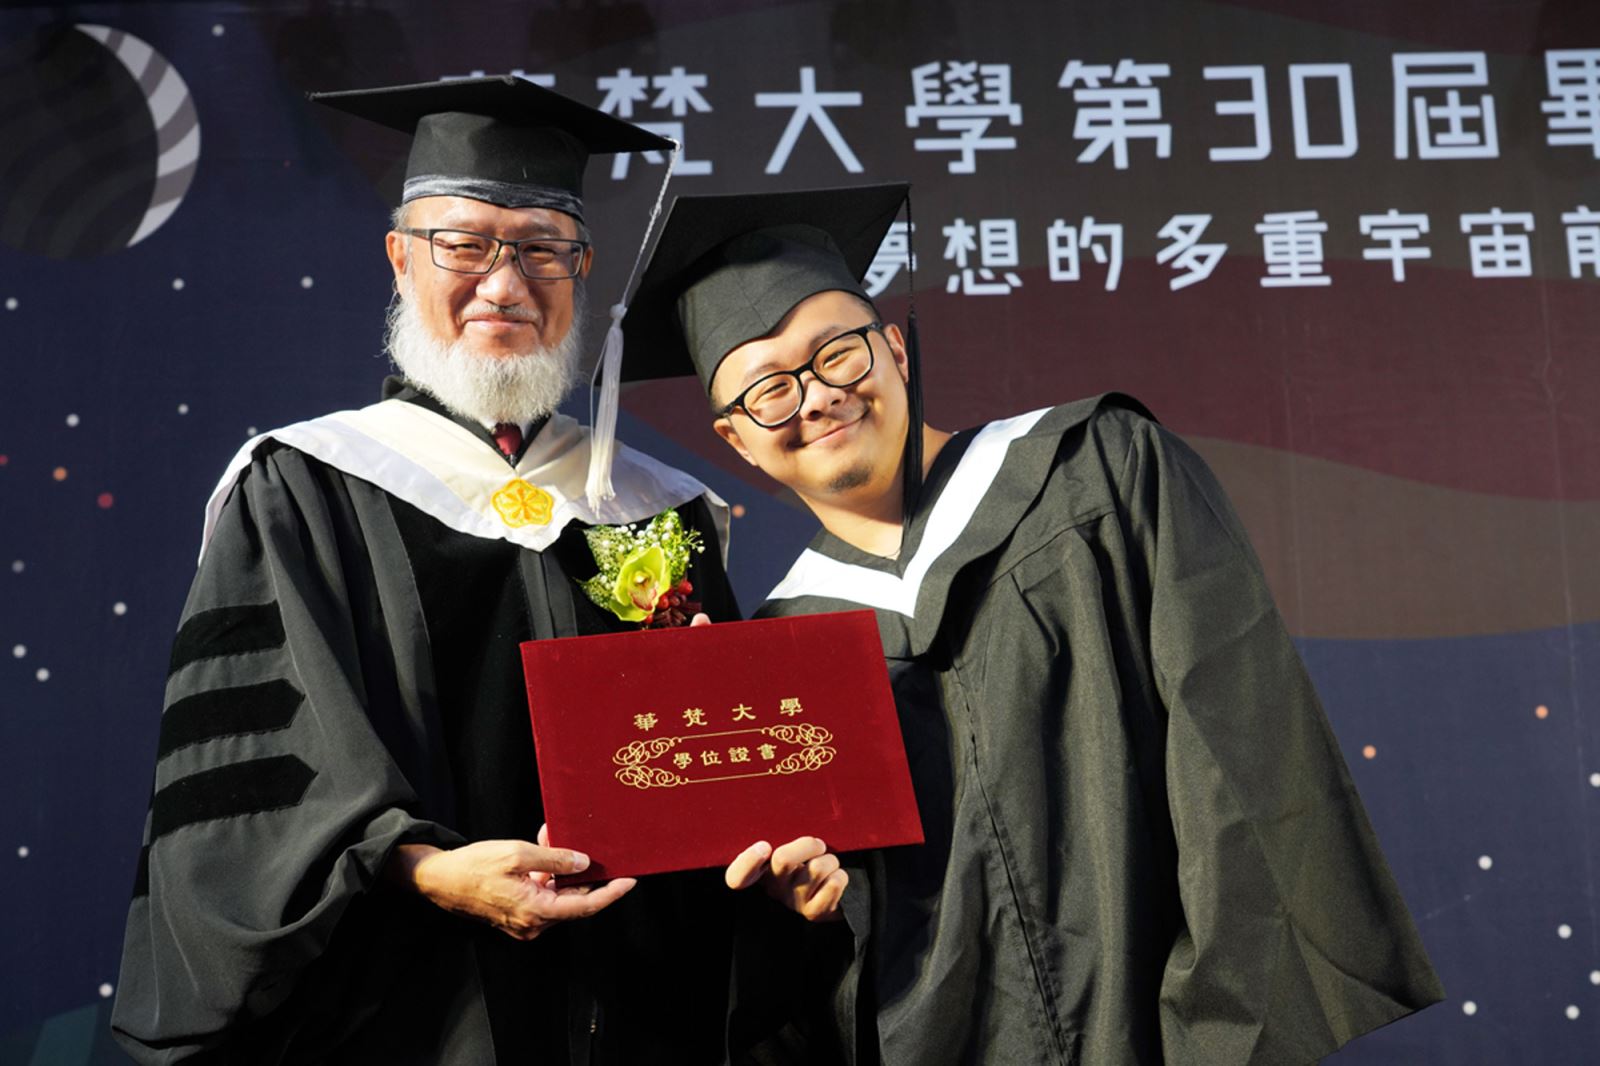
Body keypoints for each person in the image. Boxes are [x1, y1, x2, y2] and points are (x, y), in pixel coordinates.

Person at [621, 183, 1446, 1064]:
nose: (816, 398)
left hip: (1168, 1032)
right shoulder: (788, 643)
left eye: (838, 355)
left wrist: (1215, 1036)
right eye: (769, 391)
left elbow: (1239, 759)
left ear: (894, 349)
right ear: (736, 440)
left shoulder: (1098, 470)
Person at [111, 77, 743, 1064]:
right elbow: (249, 793)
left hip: (632, 1005)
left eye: (543, 248)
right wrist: (423, 870)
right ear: (401, 258)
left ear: (581, 270)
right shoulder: (306, 486)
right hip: (405, 1007)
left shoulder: (650, 504)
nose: (506, 283)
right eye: (465, 244)